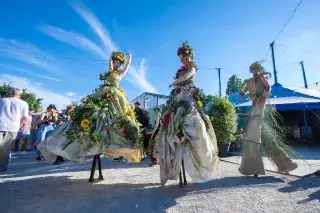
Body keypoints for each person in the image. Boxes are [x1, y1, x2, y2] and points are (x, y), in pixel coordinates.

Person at [39, 51, 142, 164]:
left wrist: (129, 58)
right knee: (91, 112)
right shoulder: (110, 71)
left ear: (120, 64)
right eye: (115, 62)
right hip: (102, 92)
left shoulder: (120, 74)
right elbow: (110, 64)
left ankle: (113, 141)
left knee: (117, 116)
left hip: (115, 96)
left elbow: (127, 67)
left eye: (118, 63)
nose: (116, 64)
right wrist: (110, 57)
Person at [155, 41, 219, 186]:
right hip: (178, 97)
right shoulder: (180, 70)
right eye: (182, 58)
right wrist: (176, 84)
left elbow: (187, 76)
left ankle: (198, 154)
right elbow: (181, 79)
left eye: (186, 57)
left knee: (192, 120)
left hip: (187, 96)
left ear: (191, 57)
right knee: (170, 120)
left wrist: (175, 82)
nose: (185, 60)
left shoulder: (192, 68)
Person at [238, 61, 298, 177]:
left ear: (259, 69)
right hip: (255, 107)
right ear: (251, 70)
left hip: (261, 107)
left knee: (253, 136)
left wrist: (263, 99)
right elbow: (244, 89)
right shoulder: (249, 81)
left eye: (257, 68)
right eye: (253, 69)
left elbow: (268, 88)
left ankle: (284, 165)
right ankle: (283, 165)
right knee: (263, 139)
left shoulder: (261, 78)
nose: (255, 70)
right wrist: (242, 93)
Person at [0, 87, 29, 172]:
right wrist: (19, 126)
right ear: (20, 95)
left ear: (10, 93)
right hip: (13, 128)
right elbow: (24, 118)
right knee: (6, 149)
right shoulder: (24, 103)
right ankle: (2, 168)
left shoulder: (2, 100)